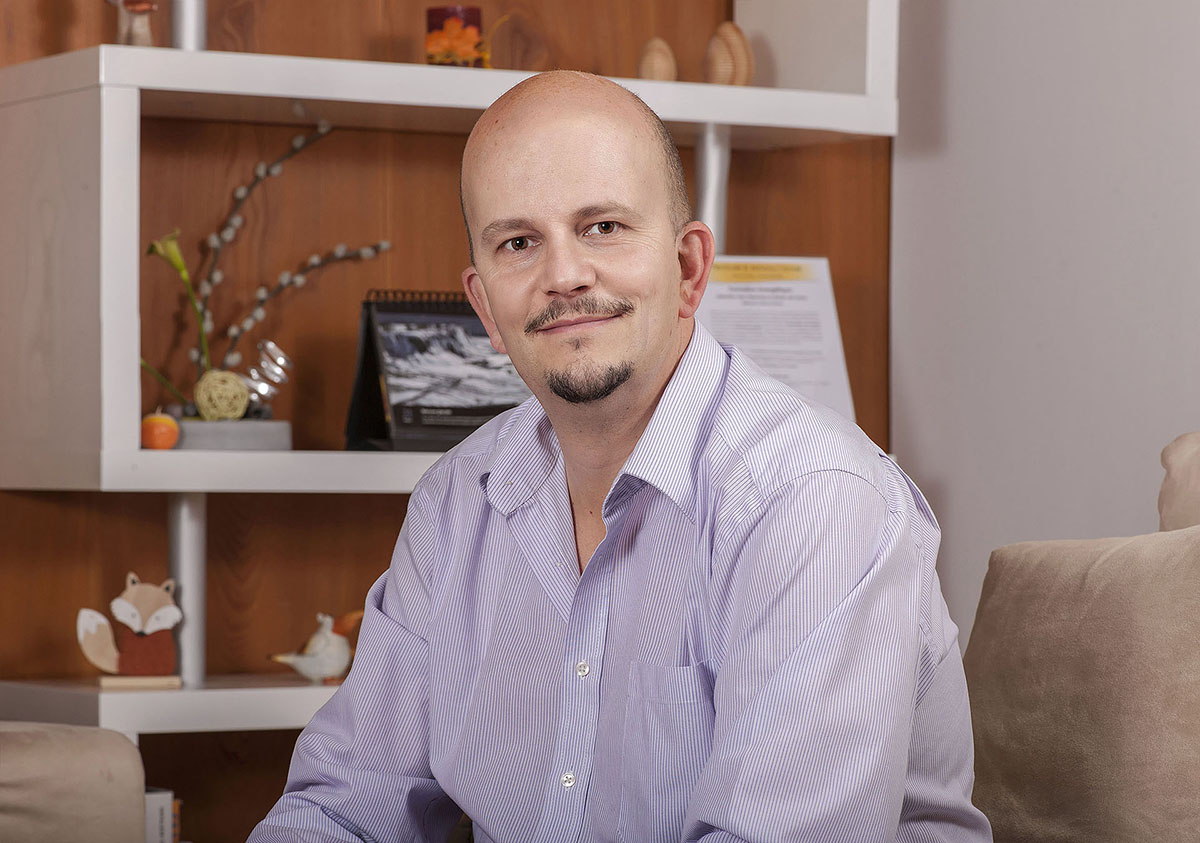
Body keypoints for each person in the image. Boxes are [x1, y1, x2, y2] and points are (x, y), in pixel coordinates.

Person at [250, 71, 992, 843]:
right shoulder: (455, 503)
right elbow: (345, 805)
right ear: (485, 308)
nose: (564, 275)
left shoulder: (813, 501)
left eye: (603, 226)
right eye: (518, 242)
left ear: (689, 268)